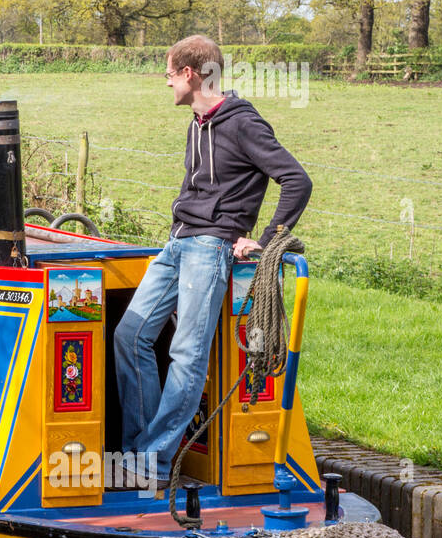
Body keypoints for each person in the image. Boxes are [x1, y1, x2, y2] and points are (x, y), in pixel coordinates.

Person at [114, 35, 312, 487]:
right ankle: (140, 453)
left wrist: (265, 240)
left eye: (168, 75)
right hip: (177, 242)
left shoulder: (244, 125)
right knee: (131, 336)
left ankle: (152, 463)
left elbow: (296, 181)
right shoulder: (196, 125)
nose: (166, 84)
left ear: (189, 74)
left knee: (187, 354)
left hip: (211, 247)